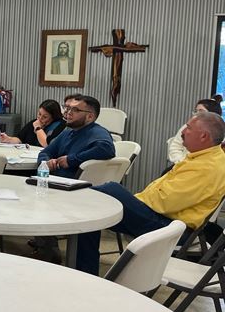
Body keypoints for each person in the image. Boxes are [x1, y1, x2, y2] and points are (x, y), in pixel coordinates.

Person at [76, 112, 225, 275]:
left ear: (203, 136)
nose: (183, 132)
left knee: (110, 190)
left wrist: (133, 202)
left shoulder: (208, 167)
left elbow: (164, 202)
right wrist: (134, 202)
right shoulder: (204, 158)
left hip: (172, 228)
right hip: (164, 218)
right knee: (93, 213)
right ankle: (86, 272)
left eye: (188, 128)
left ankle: (74, 198)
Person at [31, 95, 115, 262]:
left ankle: (47, 250)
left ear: (90, 116)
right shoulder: (68, 132)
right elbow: (46, 151)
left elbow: (106, 149)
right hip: (55, 183)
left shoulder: (97, 132)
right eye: (67, 109)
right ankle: (44, 246)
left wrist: (70, 159)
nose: (68, 113)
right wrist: (45, 163)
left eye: (75, 110)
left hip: (75, 191)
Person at [167, 97, 222, 164]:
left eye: (201, 111)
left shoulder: (219, 133)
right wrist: (182, 162)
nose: (196, 114)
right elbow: (175, 146)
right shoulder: (186, 126)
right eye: (196, 111)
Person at [0, 99, 65, 147]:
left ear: (53, 117)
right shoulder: (34, 122)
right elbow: (20, 139)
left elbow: (47, 144)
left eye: (45, 117)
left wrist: (38, 128)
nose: (40, 118)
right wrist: (9, 139)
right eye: (39, 114)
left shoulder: (60, 125)